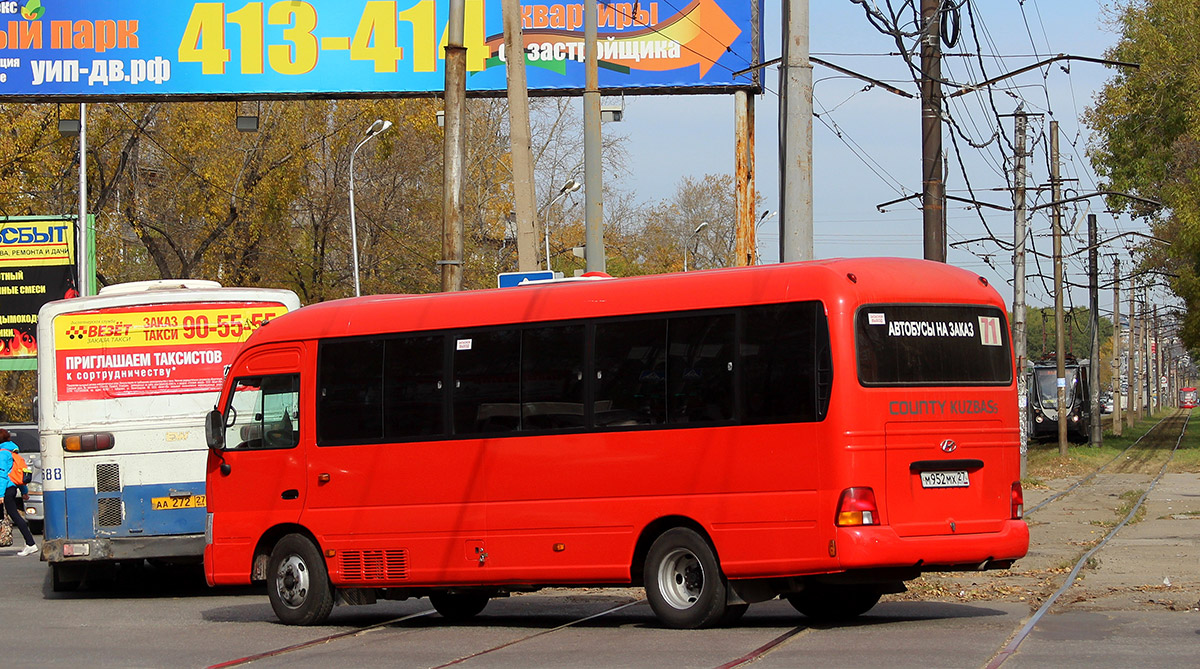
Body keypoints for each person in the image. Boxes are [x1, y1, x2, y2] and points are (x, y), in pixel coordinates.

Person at [0, 429, 37, 556]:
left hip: (5, 490)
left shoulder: (3, 454)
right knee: (14, 515)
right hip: (11, 488)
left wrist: (0, 495)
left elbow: (2, 475)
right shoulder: (13, 453)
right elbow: (19, 474)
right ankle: (30, 543)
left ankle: (31, 543)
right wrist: (24, 491)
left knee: (14, 516)